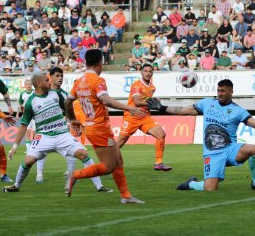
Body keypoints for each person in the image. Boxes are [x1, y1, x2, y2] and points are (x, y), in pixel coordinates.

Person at [147, 79, 255, 191]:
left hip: (230, 149)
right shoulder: (207, 103)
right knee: (210, 188)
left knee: (252, 149)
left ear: (231, 92)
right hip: (212, 153)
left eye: (223, 91)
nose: (220, 93)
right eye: (218, 90)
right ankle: (191, 184)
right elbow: (183, 110)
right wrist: (162, 108)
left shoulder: (238, 110)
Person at [3, 71, 108, 194]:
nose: (49, 81)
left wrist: (73, 121)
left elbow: (66, 108)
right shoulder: (31, 102)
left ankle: (99, 186)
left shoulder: (56, 94)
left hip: (62, 134)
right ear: (38, 83)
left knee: (83, 154)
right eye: (46, 80)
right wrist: (14, 147)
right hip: (43, 136)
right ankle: (16, 185)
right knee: (28, 161)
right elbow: (23, 126)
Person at [66, 49, 146, 204]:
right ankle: (76, 175)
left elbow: (67, 102)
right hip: (99, 128)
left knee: (118, 161)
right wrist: (131, 108)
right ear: (99, 63)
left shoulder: (78, 81)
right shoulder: (98, 81)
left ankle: (126, 196)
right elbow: (107, 101)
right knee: (108, 166)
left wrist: (73, 120)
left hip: (92, 127)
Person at [34, 66, 112, 192]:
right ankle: (39, 175)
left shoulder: (65, 95)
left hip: (62, 133)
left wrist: (74, 124)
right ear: (50, 77)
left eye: (61, 76)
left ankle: (97, 185)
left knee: (79, 154)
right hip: (45, 133)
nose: (60, 78)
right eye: (57, 76)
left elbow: (67, 112)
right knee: (37, 156)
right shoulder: (42, 93)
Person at [117, 63, 172, 171]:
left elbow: (146, 100)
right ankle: (106, 162)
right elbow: (137, 102)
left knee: (161, 134)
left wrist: (154, 101)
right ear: (141, 72)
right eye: (145, 71)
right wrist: (152, 103)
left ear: (152, 73)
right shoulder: (136, 85)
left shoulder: (152, 87)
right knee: (120, 142)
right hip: (132, 116)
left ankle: (158, 163)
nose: (147, 73)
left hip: (145, 117)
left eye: (150, 71)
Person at [17, 79, 35, 152]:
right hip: (26, 115)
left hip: (34, 115)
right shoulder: (22, 94)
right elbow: (20, 104)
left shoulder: (34, 92)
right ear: (25, 85)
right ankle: (28, 148)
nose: (29, 86)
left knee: (34, 132)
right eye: (27, 84)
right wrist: (18, 114)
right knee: (27, 131)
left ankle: (34, 147)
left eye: (30, 84)